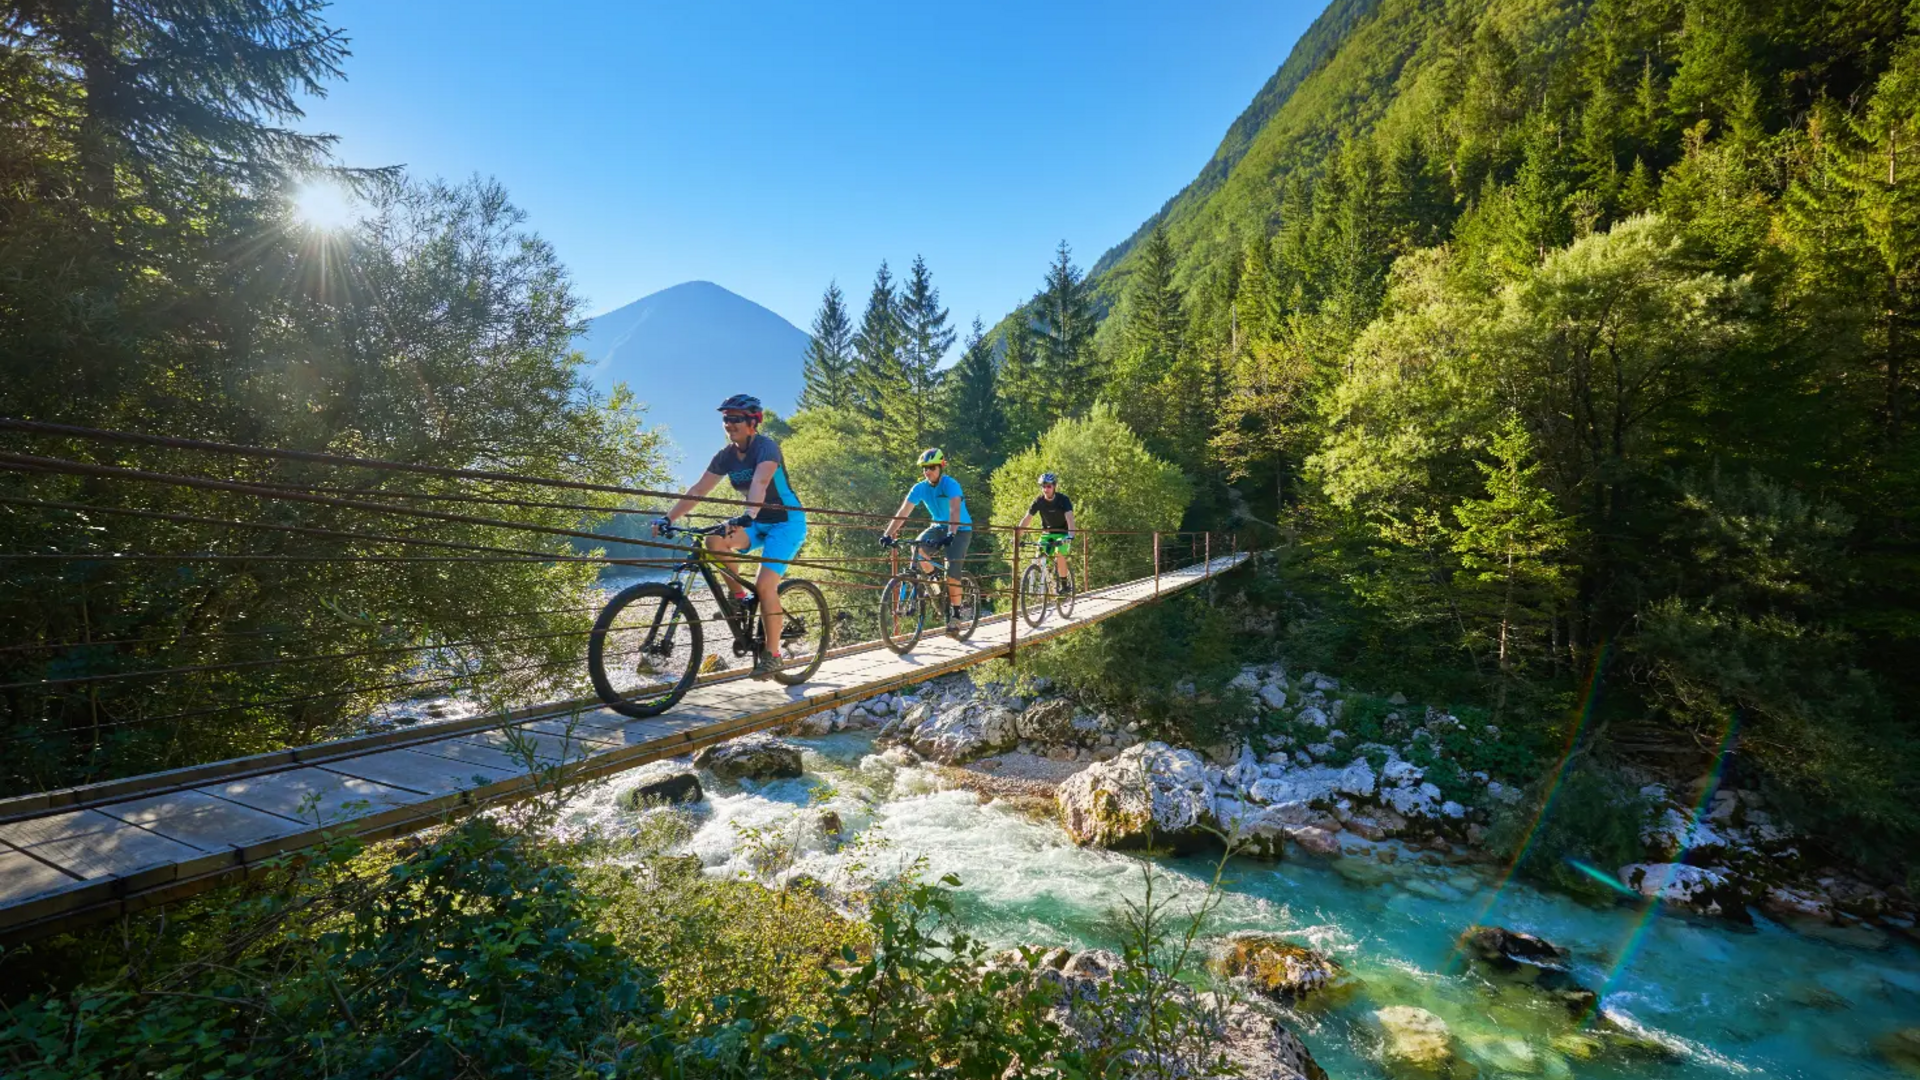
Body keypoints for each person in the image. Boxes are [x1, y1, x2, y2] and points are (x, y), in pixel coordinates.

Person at [654, 394, 807, 679]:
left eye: (735, 419)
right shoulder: (726, 455)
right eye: (726, 419)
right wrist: (668, 518)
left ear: (752, 423)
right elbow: (699, 489)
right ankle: (737, 596)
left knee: (765, 586)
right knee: (714, 540)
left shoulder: (766, 447)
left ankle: (772, 655)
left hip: (786, 522)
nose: (729, 424)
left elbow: (760, 483)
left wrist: (747, 514)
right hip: (756, 520)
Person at [880, 447, 973, 629]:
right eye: (924, 468)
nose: (927, 471)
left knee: (953, 573)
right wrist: (887, 534)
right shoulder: (920, 488)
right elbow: (903, 512)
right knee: (917, 547)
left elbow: (954, 510)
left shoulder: (950, 484)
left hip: (960, 529)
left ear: (941, 467)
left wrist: (951, 534)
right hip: (938, 526)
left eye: (931, 467)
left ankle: (955, 614)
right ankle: (934, 580)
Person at [1015, 471, 1076, 594]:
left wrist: (1071, 536)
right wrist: (1017, 536)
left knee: (1060, 555)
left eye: (1048, 486)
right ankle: (1048, 580)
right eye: (1043, 486)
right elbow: (1027, 518)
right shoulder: (1038, 501)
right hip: (1047, 534)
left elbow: (1070, 518)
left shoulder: (1063, 500)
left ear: (1054, 486)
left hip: (1063, 533)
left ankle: (1064, 585)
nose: (1045, 489)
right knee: (1039, 556)